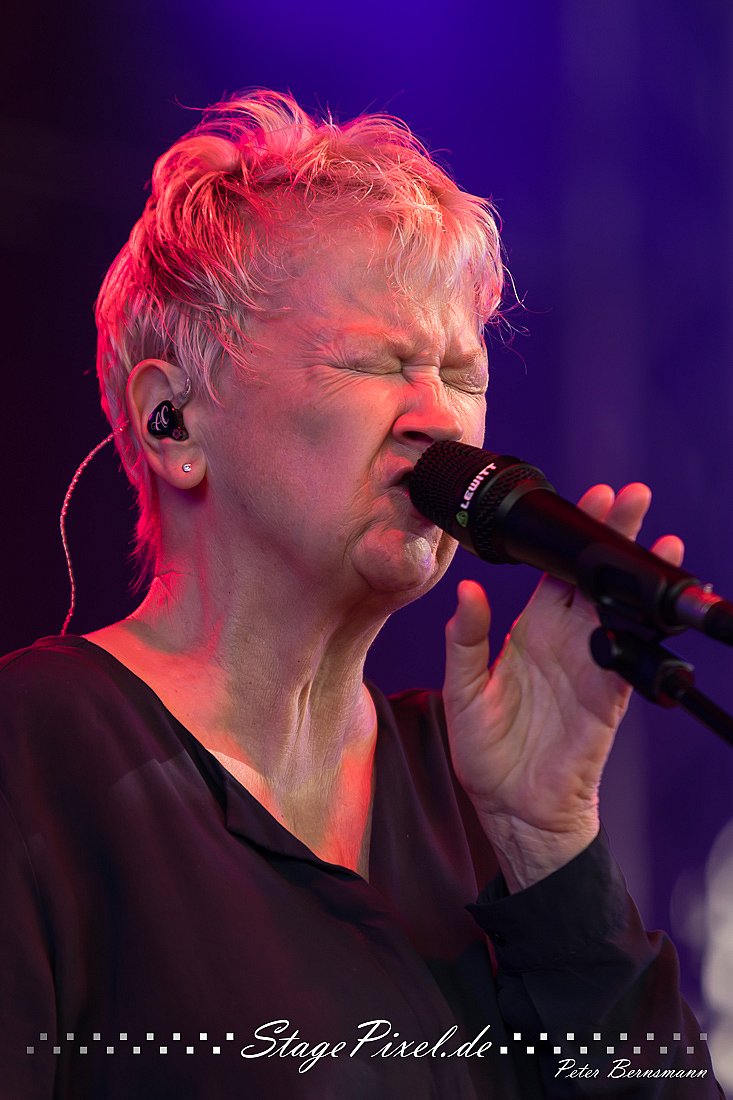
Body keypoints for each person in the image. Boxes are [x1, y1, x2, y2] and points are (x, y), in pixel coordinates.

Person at [0, 90, 721, 1098]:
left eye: (460, 373)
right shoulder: (38, 755)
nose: (441, 419)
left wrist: (550, 848)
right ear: (173, 420)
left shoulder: (475, 788)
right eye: (375, 361)